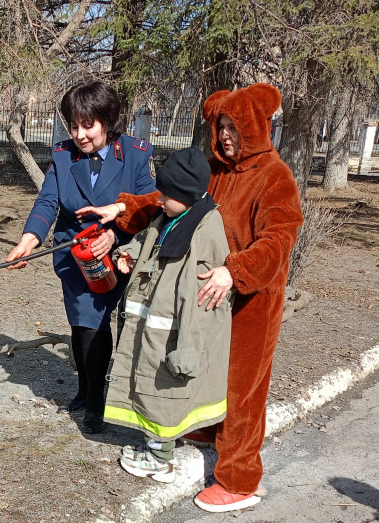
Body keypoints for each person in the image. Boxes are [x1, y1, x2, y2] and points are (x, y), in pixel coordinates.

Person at [78, 83, 304, 512]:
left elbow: (279, 239)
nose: (226, 136)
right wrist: (123, 209)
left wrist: (235, 270)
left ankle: (239, 479)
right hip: (208, 294)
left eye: (234, 128)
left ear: (257, 128)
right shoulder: (215, 170)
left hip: (252, 300)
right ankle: (204, 426)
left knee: (242, 388)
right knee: (201, 365)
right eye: (222, 127)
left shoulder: (275, 177)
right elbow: (170, 199)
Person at [5, 81, 157, 434]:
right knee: (78, 322)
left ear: (108, 121)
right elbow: (48, 201)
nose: (79, 135)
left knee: (93, 321)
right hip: (72, 254)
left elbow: (150, 205)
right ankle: (85, 388)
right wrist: (30, 239)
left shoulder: (135, 154)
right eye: (73, 126)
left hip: (115, 255)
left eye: (88, 126)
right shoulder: (63, 155)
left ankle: (96, 403)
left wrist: (115, 234)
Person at [103, 146, 231, 484]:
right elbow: (152, 239)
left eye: (166, 195)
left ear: (186, 196)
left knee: (163, 392)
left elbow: (197, 297)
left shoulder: (204, 231)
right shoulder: (176, 216)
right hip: (158, 324)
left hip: (174, 331)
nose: (158, 200)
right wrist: (131, 252)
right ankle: (158, 447)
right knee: (151, 384)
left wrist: (186, 348)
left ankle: (160, 461)